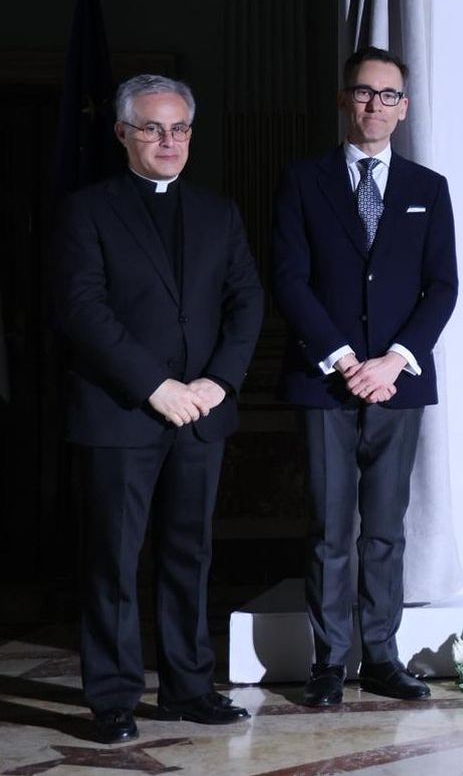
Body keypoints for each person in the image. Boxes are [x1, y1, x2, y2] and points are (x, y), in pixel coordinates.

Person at [56, 75, 263, 743]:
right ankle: (113, 698)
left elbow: (246, 304)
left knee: (189, 554)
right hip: (121, 413)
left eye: (178, 129)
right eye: (151, 128)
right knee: (115, 561)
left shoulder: (218, 212)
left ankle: (187, 687)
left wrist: (218, 384)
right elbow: (83, 312)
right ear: (122, 133)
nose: (167, 141)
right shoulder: (86, 211)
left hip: (201, 413)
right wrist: (156, 386)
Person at [272, 46, 458, 706]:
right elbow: (290, 280)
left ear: (404, 108)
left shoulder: (427, 189)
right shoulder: (303, 180)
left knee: (385, 527)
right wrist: (345, 359)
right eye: (363, 92)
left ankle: (381, 655)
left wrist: (393, 361)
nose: (375, 104)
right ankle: (330, 662)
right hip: (326, 380)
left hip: (397, 384)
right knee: (329, 529)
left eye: (389, 95)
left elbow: (442, 288)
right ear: (344, 100)